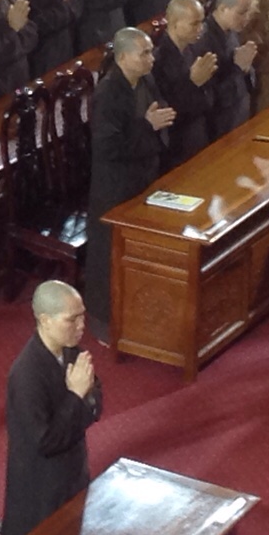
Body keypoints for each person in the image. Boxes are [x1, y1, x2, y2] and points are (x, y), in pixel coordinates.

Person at [86, 28, 173, 339]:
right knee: (109, 255)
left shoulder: (145, 80)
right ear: (122, 57)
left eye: (150, 51)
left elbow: (159, 110)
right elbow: (107, 146)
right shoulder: (108, 93)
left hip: (142, 176)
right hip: (114, 187)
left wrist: (155, 123)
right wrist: (147, 126)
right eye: (144, 54)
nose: (151, 59)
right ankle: (104, 322)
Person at [2, 281, 102, 535]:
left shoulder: (73, 352)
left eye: (82, 316)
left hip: (73, 475)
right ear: (45, 320)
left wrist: (83, 398)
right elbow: (46, 442)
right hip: (41, 492)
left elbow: (96, 402)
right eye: (72, 319)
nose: (81, 326)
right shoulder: (26, 375)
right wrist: (76, 396)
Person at [152, 0, 217, 171]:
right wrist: (192, 83)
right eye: (194, 24)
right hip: (177, 147)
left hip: (200, 134)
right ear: (174, 23)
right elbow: (167, 110)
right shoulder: (158, 61)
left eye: (202, 22)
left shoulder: (195, 48)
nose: (201, 29)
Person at [194, 0, 257, 140]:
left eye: (248, 13)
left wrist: (247, 68)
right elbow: (212, 96)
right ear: (223, 8)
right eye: (241, 13)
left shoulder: (232, 31)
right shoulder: (204, 40)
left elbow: (243, 71)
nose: (246, 19)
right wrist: (238, 68)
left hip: (239, 114)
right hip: (220, 125)